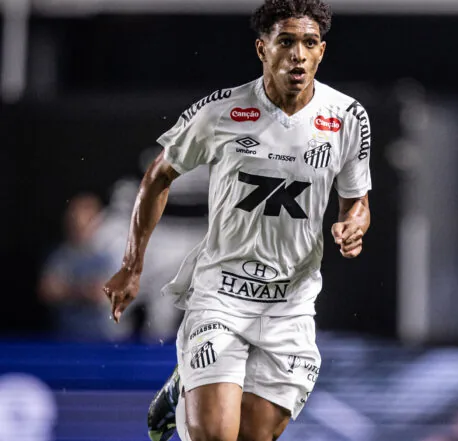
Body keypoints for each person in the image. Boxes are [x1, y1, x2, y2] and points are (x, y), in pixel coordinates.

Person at [102, 1, 372, 440]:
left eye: (309, 43)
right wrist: (132, 266)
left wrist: (354, 225)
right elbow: (158, 176)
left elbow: (356, 201)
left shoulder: (347, 117)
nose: (298, 55)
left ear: (321, 51)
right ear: (262, 49)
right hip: (221, 297)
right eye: (286, 42)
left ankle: (182, 388)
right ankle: (193, 383)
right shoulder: (222, 111)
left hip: (290, 304)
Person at [39, 193, 116, 341]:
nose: (79, 222)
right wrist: (83, 290)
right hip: (67, 337)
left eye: (88, 218)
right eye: (75, 216)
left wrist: (67, 289)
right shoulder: (61, 256)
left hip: (106, 340)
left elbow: (104, 295)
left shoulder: (113, 254)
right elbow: (47, 291)